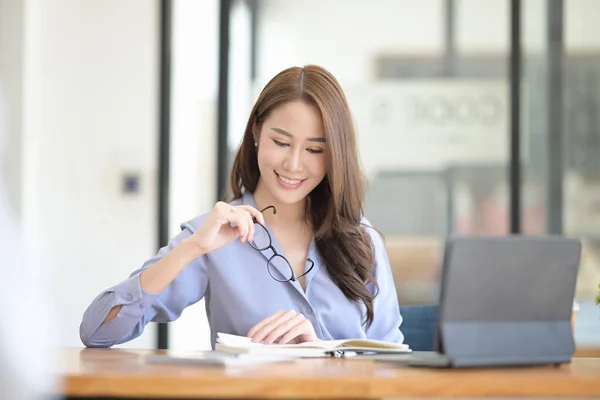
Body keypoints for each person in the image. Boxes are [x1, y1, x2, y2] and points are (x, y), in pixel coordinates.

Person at [80, 65, 403, 348]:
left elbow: (391, 361)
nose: (294, 164)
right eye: (281, 142)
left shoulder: (361, 239)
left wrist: (321, 351)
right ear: (256, 133)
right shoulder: (212, 235)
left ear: (335, 155)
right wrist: (191, 248)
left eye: (315, 150)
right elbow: (97, 332)